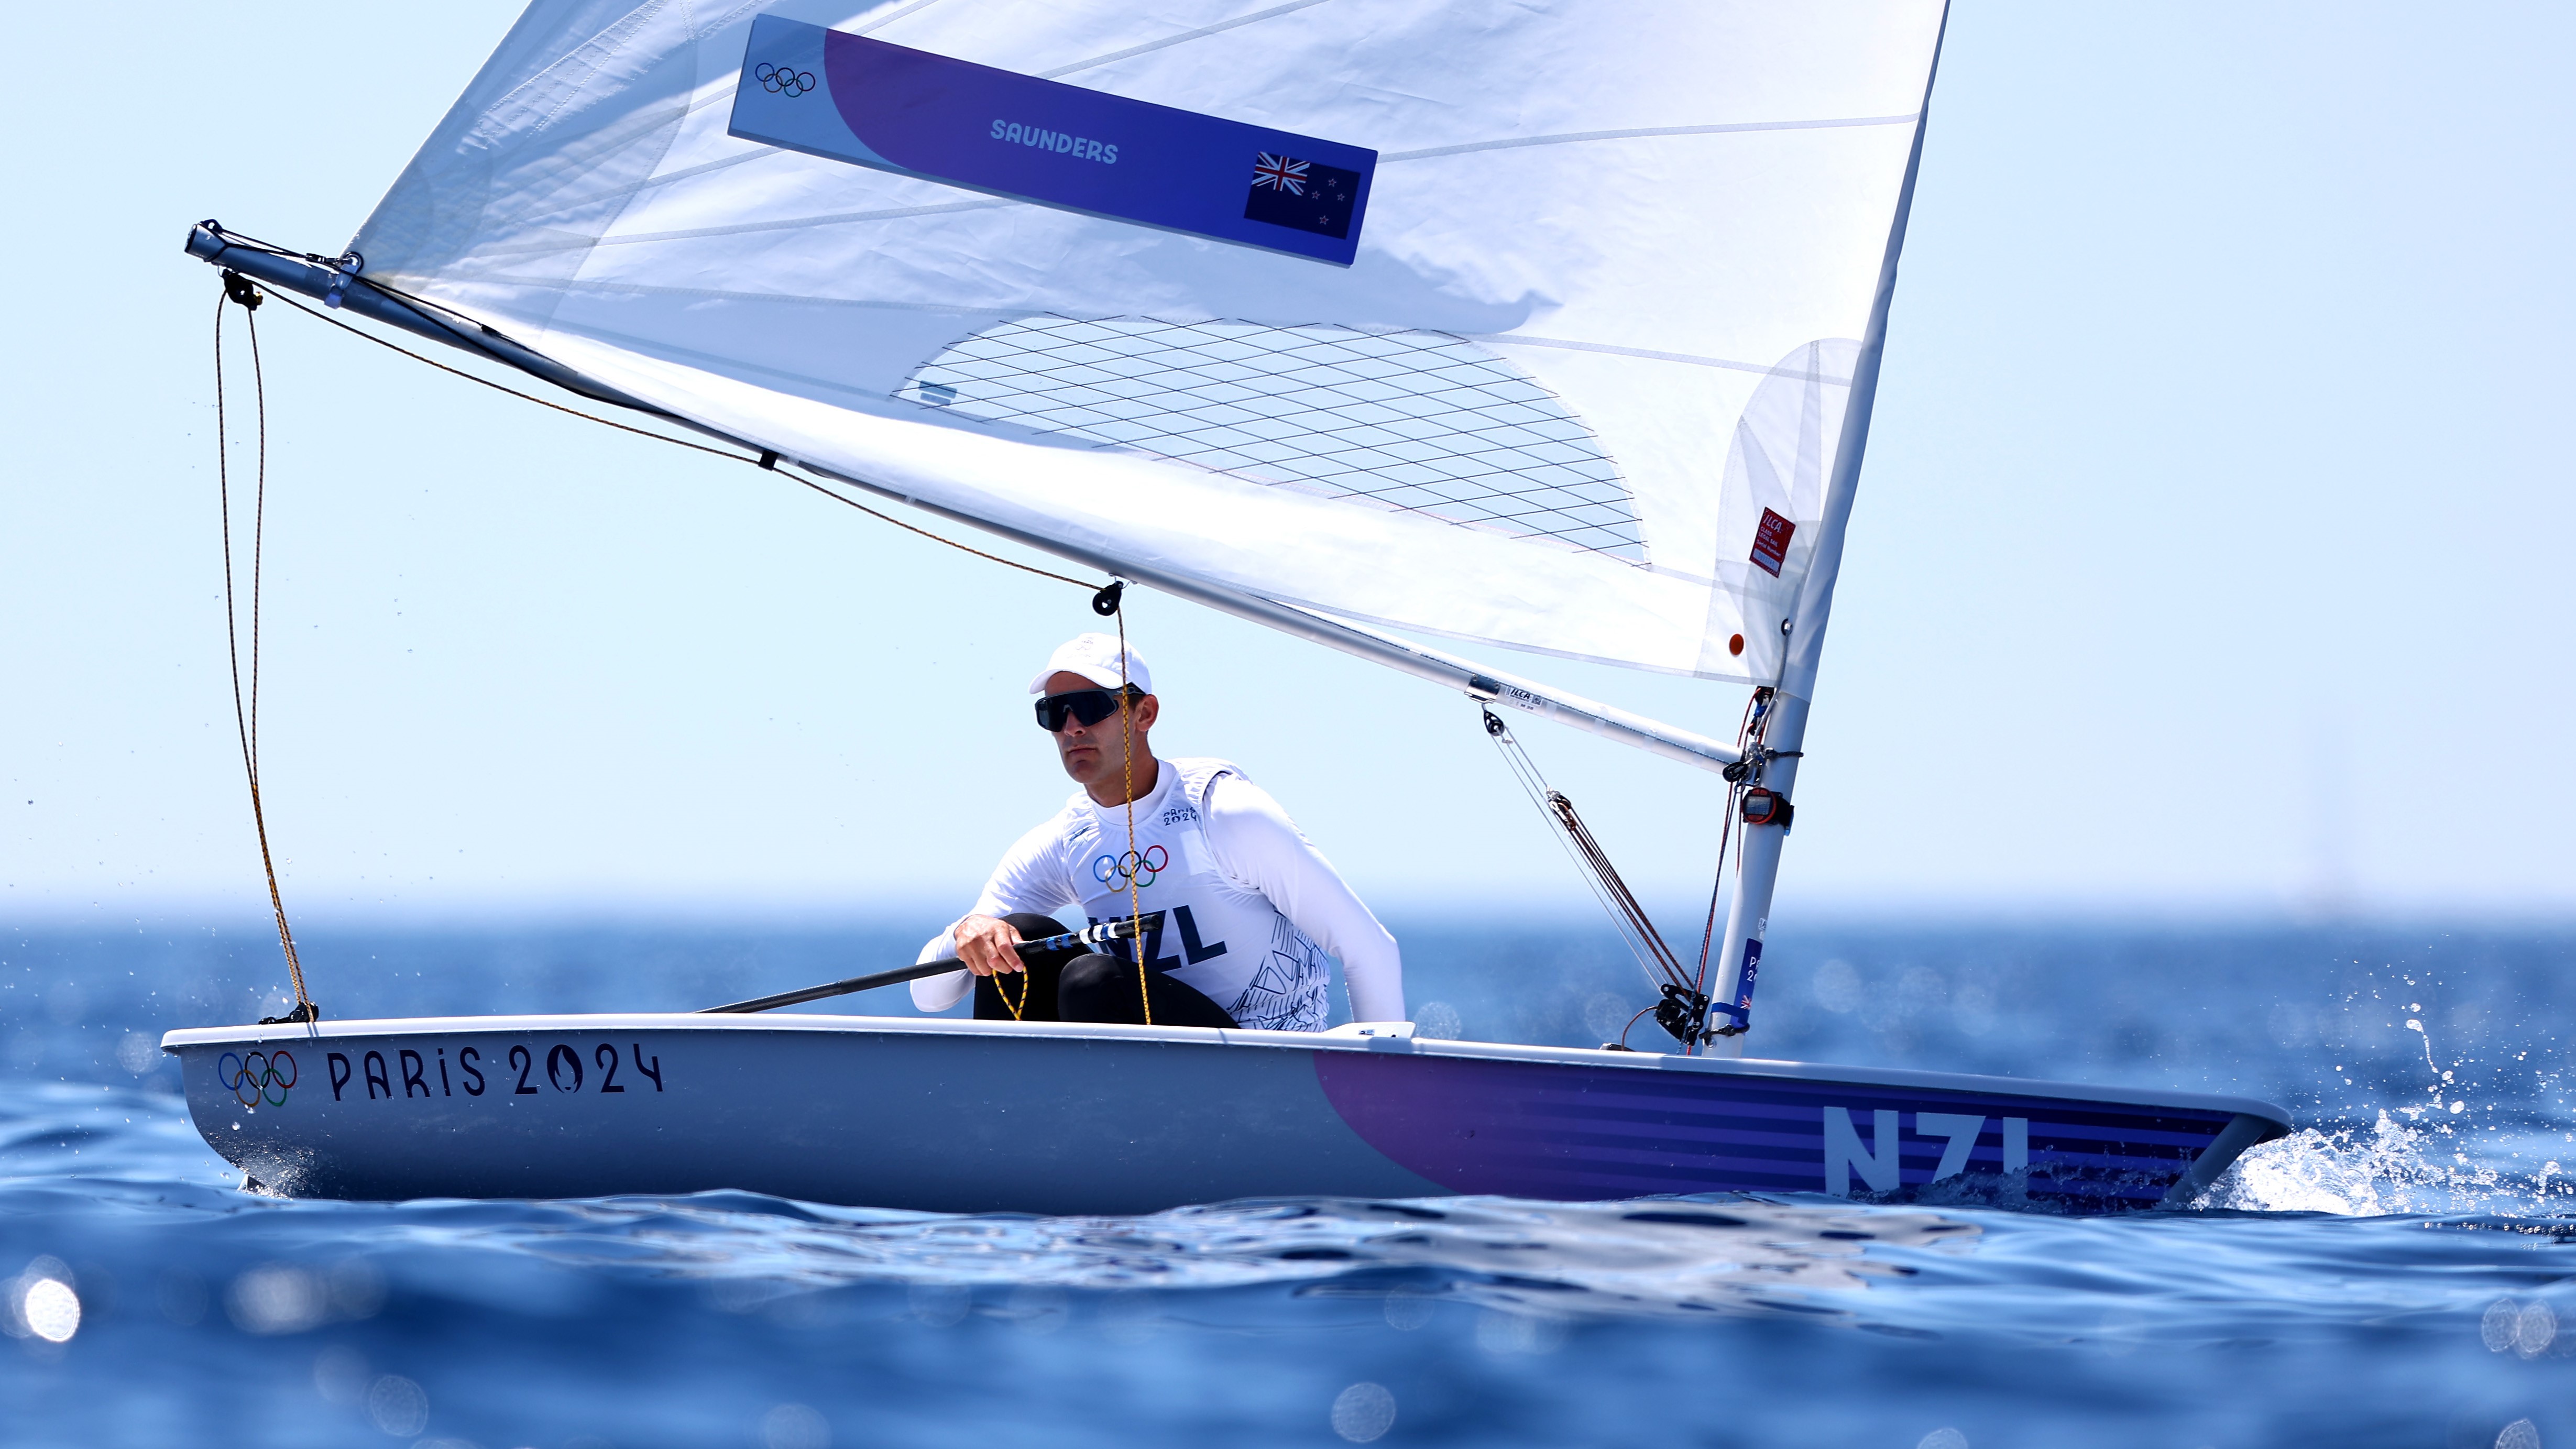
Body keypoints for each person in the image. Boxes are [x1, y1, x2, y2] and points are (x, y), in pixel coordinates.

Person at [911, 633, 1403, 1030]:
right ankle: (1012, 1133)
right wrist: (967, 934)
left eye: (1090, 706)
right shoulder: (1064, 841)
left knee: (1092, 980)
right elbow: (929, 995)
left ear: (1144, 713)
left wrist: (1382, 1100)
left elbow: (1367, 947)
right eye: (1054, 713)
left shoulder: (1227, 813)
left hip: (1263, 1063)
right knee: (1023, 937)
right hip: (1158, 1062)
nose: (1072, 727)